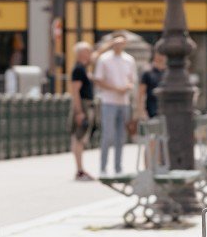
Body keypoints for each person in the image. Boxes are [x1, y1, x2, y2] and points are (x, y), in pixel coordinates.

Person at [93, 33, 137, 175]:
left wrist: (127, 88)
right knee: (108, 135)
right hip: (109, 101)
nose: (119, 46)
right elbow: (98, 80)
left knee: (121, 136)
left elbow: (132, 79)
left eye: (122, 43)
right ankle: (103, 167)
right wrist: (115, 89)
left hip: (124, 102)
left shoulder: (129, 60)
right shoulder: (104, 59)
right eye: (116, 43)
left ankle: (118, 167)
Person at [69, 41, 97, 180]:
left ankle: (80, 169)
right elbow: (75, 91)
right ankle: (79, 170)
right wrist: (79, 111)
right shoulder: (79, 69)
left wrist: (110, 44)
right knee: (78, 138)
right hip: (83, 106)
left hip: (86, 105)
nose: (91, 54)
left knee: (81, 138)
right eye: (88, 51)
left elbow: (97, 55)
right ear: (81, 53)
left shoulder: (84, 68)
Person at [139, 51, 166, 121]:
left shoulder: (168, 72)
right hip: (152, 107)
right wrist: (141, 110)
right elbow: (141, 92)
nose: (161, 57)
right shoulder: (147, 72)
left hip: (166, 107)